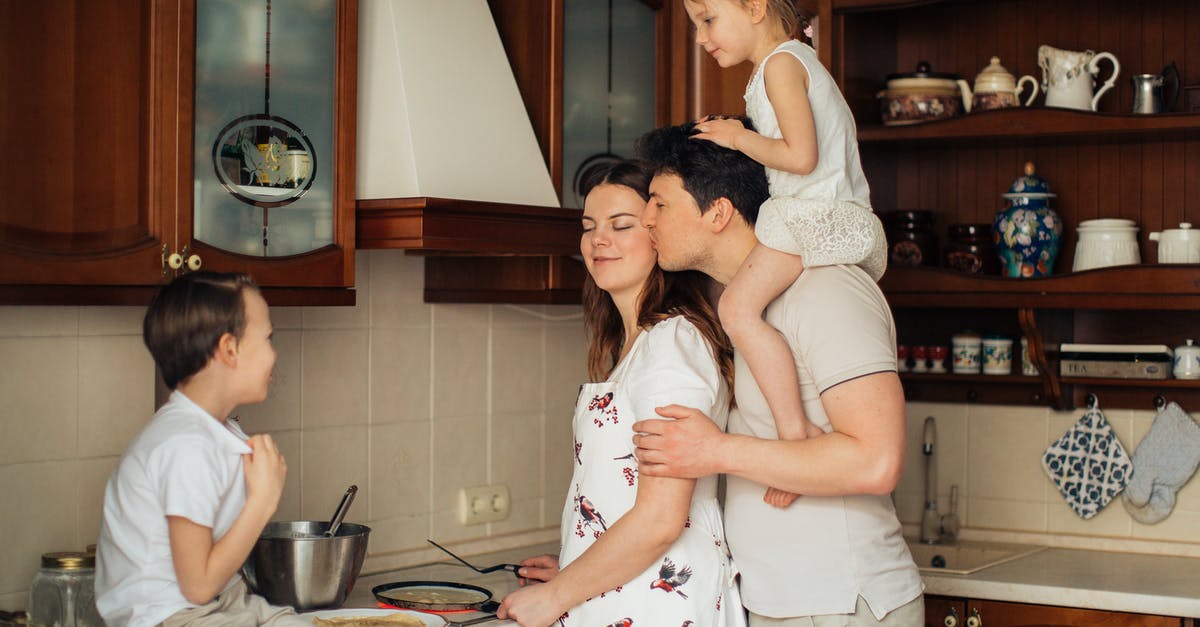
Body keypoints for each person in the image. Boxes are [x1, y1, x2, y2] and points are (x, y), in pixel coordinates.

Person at [633, 120, 923, 625]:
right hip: (783, 603)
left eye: (660, 202)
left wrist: (716, 450)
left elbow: (877, 462)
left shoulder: (825, 289)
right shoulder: (743, 305)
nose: (645, 219)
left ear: (718, 211)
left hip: (844, 604)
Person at [498, 160, 744, 627]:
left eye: (621, 225)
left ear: (659, 234)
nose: (598, 240)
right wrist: (579, 558)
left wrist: (557, 596)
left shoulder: (672, 344)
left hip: (661, 604)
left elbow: (661, 518)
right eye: (589, 226)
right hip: (627, 593)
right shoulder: (637, 344)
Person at [685, 0, 888, 508]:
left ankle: (793, 438)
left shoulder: (781, 64)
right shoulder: (785, 63)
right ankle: (794, 434)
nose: (700, 38)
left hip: (815, 216)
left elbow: (801, 157)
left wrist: (738, 137)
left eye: (707, 20)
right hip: (817, 215)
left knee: (735, 308)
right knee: (750, 309)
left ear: (754, 7)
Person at [95, 272, 306, 627]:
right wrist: (262, 501)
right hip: (171, 617)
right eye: (268, 337)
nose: (274, 353)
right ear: (228, 349)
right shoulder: (185, 446)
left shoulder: (212, 432)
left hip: (224, 604)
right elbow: (197, 585)